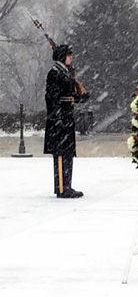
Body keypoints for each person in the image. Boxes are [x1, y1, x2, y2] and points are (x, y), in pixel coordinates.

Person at [44, 44, 88, 198]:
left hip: (66, 116)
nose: (71, 58)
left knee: (67, 153)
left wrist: (81, 95)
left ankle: (66, 184)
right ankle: (62, 187)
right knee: (61, 153)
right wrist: (57, 118)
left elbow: (68, 95)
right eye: (69, 55)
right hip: (60, 119)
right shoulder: (55, 73)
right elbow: (52, 98)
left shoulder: (65, 72)